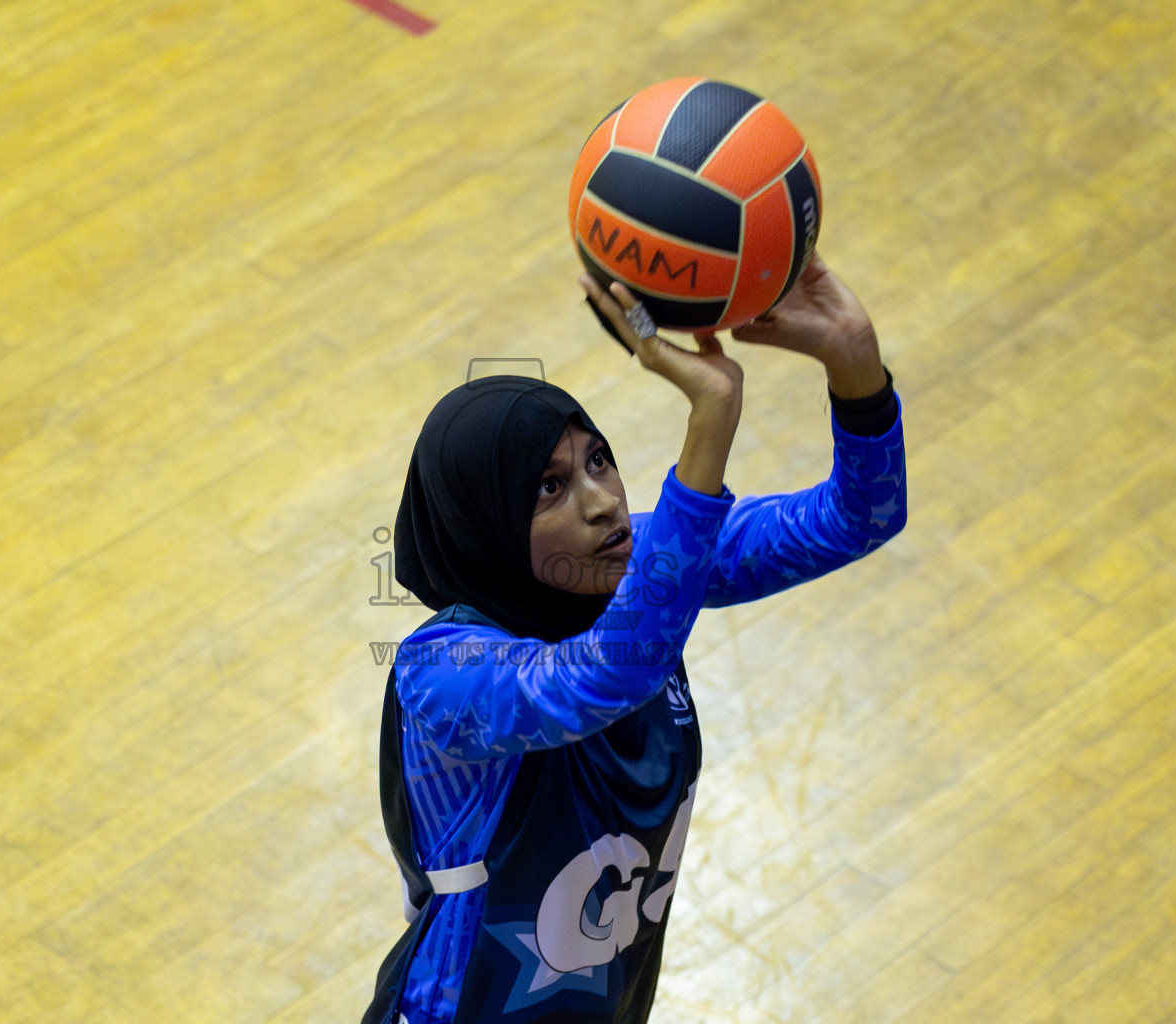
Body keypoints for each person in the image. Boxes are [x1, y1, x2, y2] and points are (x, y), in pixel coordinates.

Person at [364, 256, 907, 1024]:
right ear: (481, 526)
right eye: (549, 488)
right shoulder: (442, 672)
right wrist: (710, 417)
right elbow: (604, 676)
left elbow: (860, 517)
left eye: (600, 460)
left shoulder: (643, 574)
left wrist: (853, 361)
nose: (602, 505)